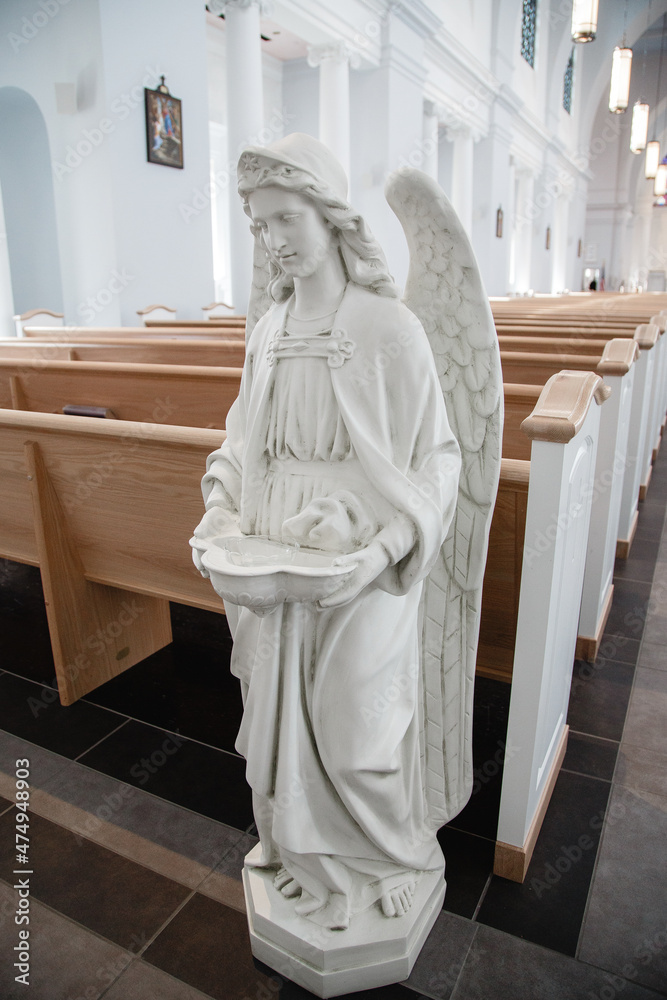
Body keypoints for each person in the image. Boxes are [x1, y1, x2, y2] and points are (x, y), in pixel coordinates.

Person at [191, 133, 461, 930]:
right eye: (258, 225)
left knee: (355, 735)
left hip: (364, 565)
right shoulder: (270, 329)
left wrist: (380, 549)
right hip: (274, 555)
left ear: (331, 215)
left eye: (284, 219)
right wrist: (219, 507)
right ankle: (301, 860)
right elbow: (244, 439)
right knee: (275, 732)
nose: (271, 241)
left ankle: (393, 858)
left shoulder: (390, 329)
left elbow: (437, 460)